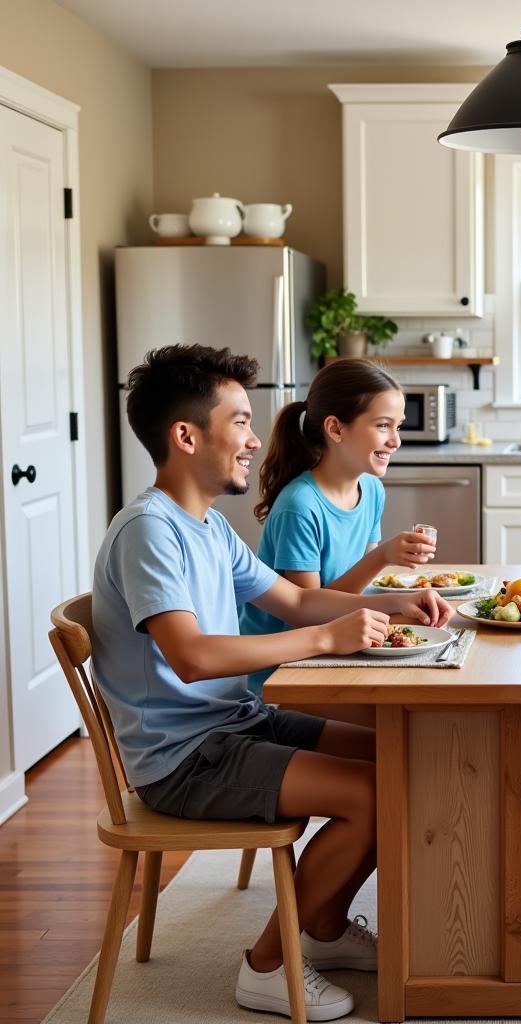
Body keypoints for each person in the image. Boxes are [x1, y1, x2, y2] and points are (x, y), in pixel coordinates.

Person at [90, 344, 451, 1021]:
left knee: (402, 756)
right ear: (186, 435)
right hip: (183, 759)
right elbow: (191, 657)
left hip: (233, 725)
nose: (256, 439)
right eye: (239, 421)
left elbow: (294, 600)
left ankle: (323, 928)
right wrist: (326, 639)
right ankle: (266, 965)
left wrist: (390, 606)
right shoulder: (150, 532)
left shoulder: (208, 528)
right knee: (372, 795)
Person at [240, 359, 436, 697]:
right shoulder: (300, 506)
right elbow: (307, 612)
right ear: (336, 429)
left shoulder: (371, 489)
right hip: (281, 676)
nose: (396, 441)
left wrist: (400, 598)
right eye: (383, 426)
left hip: (330, 649)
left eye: (398, 426)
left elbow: (352, 594)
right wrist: (384, 556)